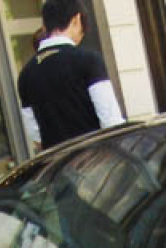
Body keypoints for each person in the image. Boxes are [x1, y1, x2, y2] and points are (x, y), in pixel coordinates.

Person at [17, 0, 125, 150]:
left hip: (59, 166)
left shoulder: (25, 75)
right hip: (96, 158)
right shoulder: (89, 60)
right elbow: (111, 121)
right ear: (77, 19)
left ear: (45, 26)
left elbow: (36, 136)